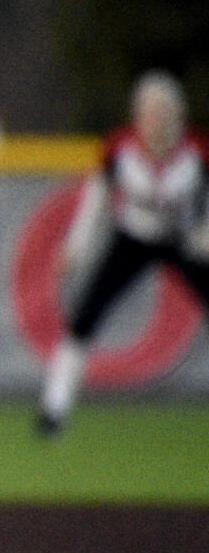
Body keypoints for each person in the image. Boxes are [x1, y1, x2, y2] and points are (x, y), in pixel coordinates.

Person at [37, 70, 209, 435]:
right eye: (149, 113)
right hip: (133, 236)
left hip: (182, 238)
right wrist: (76, 248)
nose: (156, 122)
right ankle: (54, 410)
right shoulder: (120, 147)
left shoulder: (197, 151)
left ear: (178, 115)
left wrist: (204, 233)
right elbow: (96, 203)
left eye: (163, 113)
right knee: (85, 316)